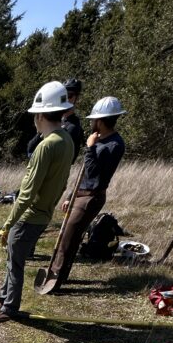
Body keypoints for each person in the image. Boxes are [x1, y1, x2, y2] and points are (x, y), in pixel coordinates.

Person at [0, 81, 74, 323]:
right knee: (13, 257)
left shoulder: (46, 147)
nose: (34, 120)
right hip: (44, 214)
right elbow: (64, 182)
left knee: (15, 262)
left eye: (36, 115)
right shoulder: (67, 140)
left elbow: (26, 192)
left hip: (29, 216)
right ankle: (4, 296)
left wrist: (8, 223)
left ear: (42, 115)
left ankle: (9, 308)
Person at [48, 96, 127, 290]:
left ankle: (55, 279)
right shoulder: (99, 139)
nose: (91, 123)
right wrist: (70, 196)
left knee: (68, 238)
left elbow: (93, 173)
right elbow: (83, 172)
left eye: (93, 120)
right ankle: (58, 275)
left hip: (92, 197)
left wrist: (90, 148)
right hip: (80, 194)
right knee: (68, 236)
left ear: (100, 121)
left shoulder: (115, 144)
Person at [28, 78, 83, 161]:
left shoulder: (73, 126)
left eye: (70, 96)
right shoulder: (56, 120)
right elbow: (30, 149)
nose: (66, 99)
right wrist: (40, 131)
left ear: (77, 99)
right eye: (64, 97)